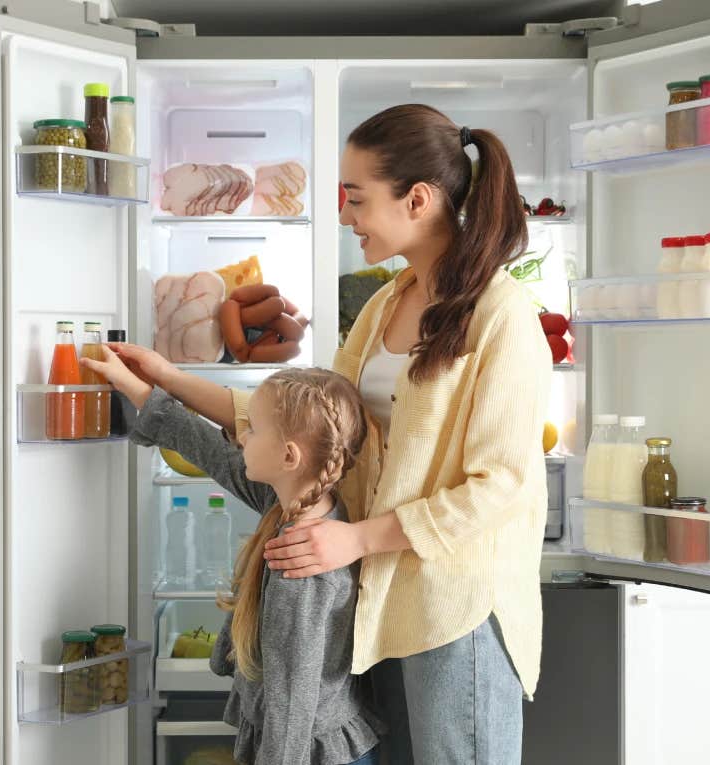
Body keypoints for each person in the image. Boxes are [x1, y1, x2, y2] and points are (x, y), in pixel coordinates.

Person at [110, 102, 551, 764]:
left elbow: (500, 486)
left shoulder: (501, 315)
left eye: (356, 198)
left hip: (455, 608)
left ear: (419, 199)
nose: (345, 215)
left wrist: (356, 537)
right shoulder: (384, 306)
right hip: (379, 598)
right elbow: (305, 426)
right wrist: (169, 380)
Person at [80, 350, 384, 765]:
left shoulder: (300, 567)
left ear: (289, 457)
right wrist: (142, 387)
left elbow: (292, 699)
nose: (241, 437)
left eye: (253, 430)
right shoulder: (294, 505)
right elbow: (208, 450)